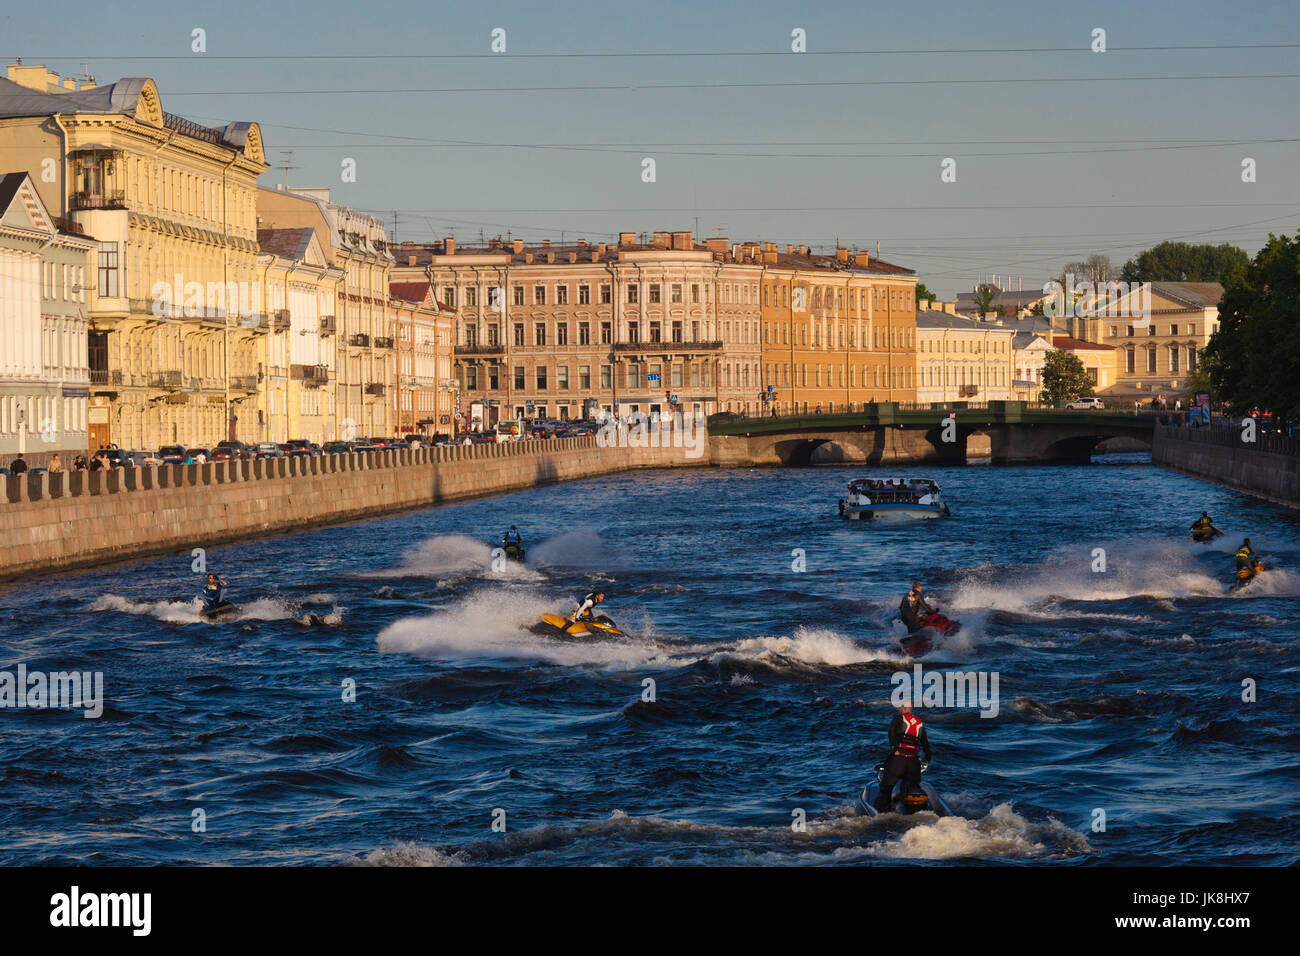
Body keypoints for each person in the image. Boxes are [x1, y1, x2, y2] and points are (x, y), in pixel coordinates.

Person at [874, 701, 932, 813]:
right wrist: (928, 757)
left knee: (886, 788)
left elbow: (891, 731)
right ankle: (917, 812)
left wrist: (894, 748)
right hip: (913, 762)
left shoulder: (899, 718)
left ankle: (882, 814)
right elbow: (925, 742)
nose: (899, 709)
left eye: (900, 707)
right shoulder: (919, 723)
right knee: (912, 788)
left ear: (904, 708)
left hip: (899, 759)